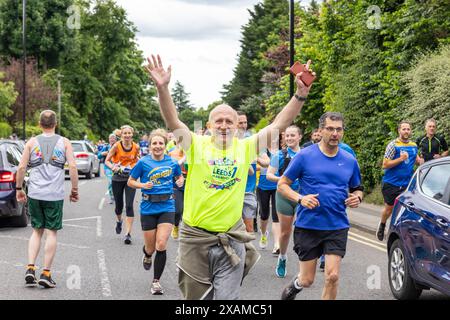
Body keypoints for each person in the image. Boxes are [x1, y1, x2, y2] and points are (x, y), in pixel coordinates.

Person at [145, 54, 314, 299]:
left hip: (231, 240)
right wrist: (162, 88)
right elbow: (172, 121)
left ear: (237, 126)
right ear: (210, 126)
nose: (224, 125)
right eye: (219, 121)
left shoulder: (245, 148)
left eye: (229, 121)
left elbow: (280, 124)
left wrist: (300, 94)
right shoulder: (195, 145)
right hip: (195, 239)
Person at [278, 112, 363, 300]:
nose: (335, 133)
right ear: (320, 130)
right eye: (330, 129)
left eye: (338, 129)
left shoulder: (350, 160)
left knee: (332, 276)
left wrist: (357, 198)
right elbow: (282, 184)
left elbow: (357, 188)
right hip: (308, 225)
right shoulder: (304, 156)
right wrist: (301, 198)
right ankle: (295, 285)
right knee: (307, 280)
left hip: (337, 225)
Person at [16, 110, 79, 288]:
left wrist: (19, 189)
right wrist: (74, 189)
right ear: (55, 123)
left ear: (39, 123)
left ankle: (30, 268)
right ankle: (46, 273)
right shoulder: (64, 142)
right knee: (51, 232)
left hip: (35, 193)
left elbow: (21, 168)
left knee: (36, 231)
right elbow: (73, 166)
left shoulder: (32, 142)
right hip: (54, 195)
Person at [128, 129, 183, 295]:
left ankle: (156, 282)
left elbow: (179, 177)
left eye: (161, 143)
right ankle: (147, 255)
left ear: (165, 146)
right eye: (154, 143)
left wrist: (180, 181)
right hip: (148, 207)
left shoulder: (172, 163)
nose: (157, 146)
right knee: (150, 248)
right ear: (150, 146)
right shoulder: (143, 163)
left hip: (167, 206)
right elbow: (131, 182)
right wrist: (142, 185)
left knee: (161, 244)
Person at [267, 125, 302, 278]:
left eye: (292, 135)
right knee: (286, 232)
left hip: (302, 196)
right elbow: (269, 175)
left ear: (300, 137)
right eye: (287, 136)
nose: (289, 138)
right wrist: (281, 179)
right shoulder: (279, 155)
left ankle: (304, 264)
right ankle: (282, 257)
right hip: (284, 195)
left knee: (303, 230)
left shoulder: (306, 154)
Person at [376, 121, 418, 241]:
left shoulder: (414, 145)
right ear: (399, 130)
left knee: (404, 209)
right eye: (404, 129)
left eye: (408, 129)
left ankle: (396, 233)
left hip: (407, 184)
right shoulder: (393, 145)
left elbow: (416, 159)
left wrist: (421, 161)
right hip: (391, 183)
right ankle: (382, 224)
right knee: (389, 209)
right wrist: (400, 159)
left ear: (410, 131)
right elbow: (385, 164)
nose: (406, 131)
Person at [105, 125, 140, 244]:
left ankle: (128, 234)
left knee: (129, 206)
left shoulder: (136, 147)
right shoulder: (116, 146)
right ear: (121, 135)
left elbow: (137, 160)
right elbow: (107, 161)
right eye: (125, 133)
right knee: (119, 207)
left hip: (131, 179)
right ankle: (119, 221)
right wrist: (113, 167)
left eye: (129, 133)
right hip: (117, 179)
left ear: (132, 134)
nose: (127, 135)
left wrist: (135, 166)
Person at [256, 147, 280, 253]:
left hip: (277, 186)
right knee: (264, 215)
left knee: (276, 216)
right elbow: (266, 162)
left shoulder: (281, 151)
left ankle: (277, 244)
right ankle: (263, 234)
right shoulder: (262, 151)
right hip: (263, 186)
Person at [237, 112, 257, 233]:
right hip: (230, 191)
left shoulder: (252, 141)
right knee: (232, 228)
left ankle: (247, 251)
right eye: (240, 123)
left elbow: (266, 161)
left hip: (248, 191)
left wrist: (253, 157)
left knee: (249, 228)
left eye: (245, 122)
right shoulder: (226, 143)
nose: (244, 125)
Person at [168, 137, 187, 239]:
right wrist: (183, 159)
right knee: (178, 210)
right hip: (176, 183)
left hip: (190, 182)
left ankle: (186, 231)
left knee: (186, 210)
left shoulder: (193, 153)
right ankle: (175, 226)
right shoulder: (171, 153)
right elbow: (170, 167)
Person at [98, 134, 117, 204]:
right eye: (110, 138)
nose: (112, 140)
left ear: (116, 140)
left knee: (117, 183)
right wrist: (103, 154)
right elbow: (98, 156)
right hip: (108, 168)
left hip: (117, 168)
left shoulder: (118, 147)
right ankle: (112, 197)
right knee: (111, 181)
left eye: (113, 138)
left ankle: (117, 196)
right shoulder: (106, 147)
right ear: (109, 140)